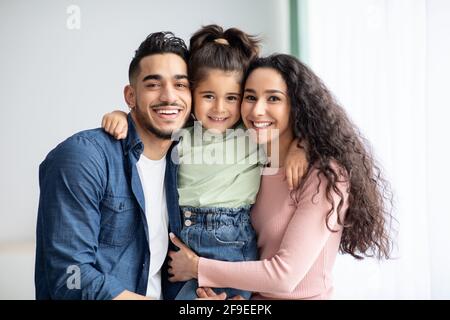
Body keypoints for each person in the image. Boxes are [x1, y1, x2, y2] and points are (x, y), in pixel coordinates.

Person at [101, 25, 308, 300]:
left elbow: (297, 131)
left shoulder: (251, 136)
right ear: (192, 94)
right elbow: (145, 123)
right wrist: (120, 115)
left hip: (232, 244)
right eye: (208, 96)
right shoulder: (180, 132)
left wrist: (301, 147)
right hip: (181, 240)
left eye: (232, 98)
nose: (220, 108)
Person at [167, 54, 393, 300]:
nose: (257, 110)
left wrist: (198, 268)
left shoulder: (325, 176)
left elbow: (284, 276)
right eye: (250, 97)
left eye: (273, 98)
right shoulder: (253, 160)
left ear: (297, 105)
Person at [35, 31, 192, 300]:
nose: (169, 96)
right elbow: (70, 277)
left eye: (180, 85)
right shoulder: (82, 158)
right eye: (153, 84)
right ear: (130, 96)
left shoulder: (186, 163)